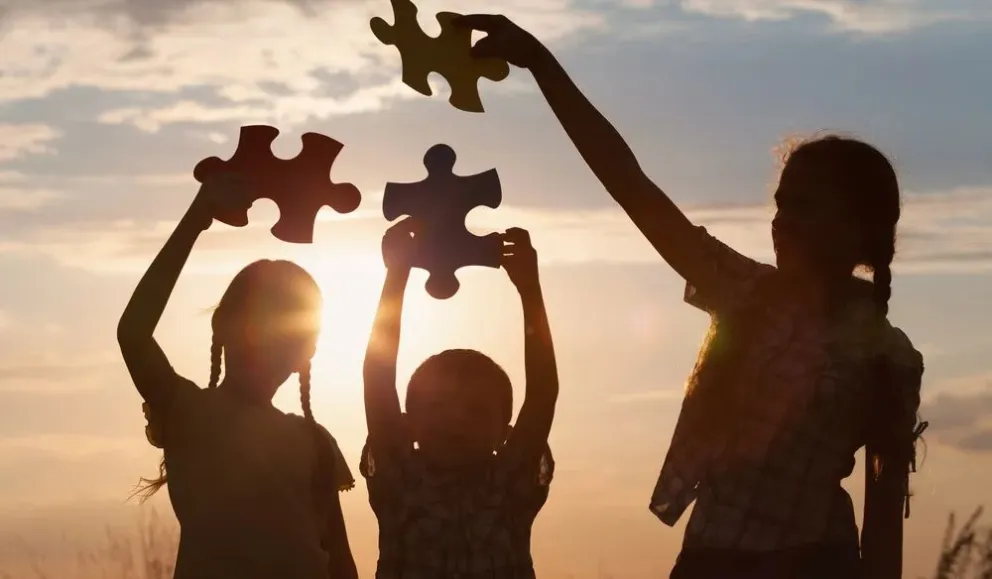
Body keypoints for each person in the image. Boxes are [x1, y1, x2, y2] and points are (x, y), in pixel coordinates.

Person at [451, 16, 927, 579]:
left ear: (859, 230)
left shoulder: (888, 357)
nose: (782, 221)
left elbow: (883, 507)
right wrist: (542, 64)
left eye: (805, 206)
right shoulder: (744, 291)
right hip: (711, 559)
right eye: (781, 203)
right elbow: (631, 186)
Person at [117, 173, 358, 579]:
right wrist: (196, 218)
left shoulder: (315, 442)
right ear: (222, 327)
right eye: (257, 321)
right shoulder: (188, 414)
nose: (269, 340)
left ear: (307, 351)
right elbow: (133, 334)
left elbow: (339, 561)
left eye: (289, 332)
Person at [361, 220, 559, 578]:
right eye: (437, 407)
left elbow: (543, 394)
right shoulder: (401, 480)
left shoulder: (509, 485)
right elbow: (377, 381)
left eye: (478, 411)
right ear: (409, 424)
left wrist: (530, 289)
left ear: (505, 432)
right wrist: (396, 275)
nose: (457, 421)